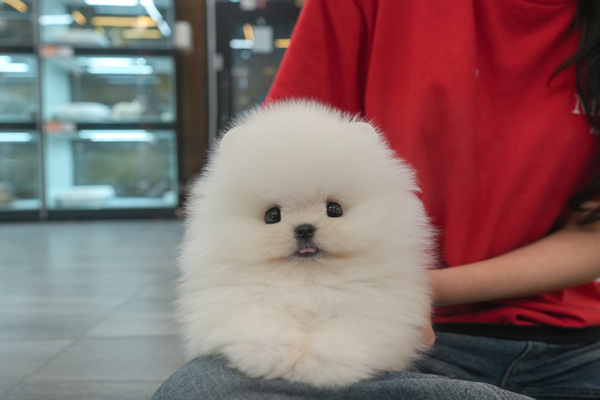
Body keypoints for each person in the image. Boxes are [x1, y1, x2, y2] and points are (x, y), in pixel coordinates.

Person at [152, 1, 600, 398]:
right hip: (434, 339)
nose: (307, 226)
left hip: (576, 342)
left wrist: (404, 289)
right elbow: (273, 159)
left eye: (332, 211)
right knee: (200, 391)